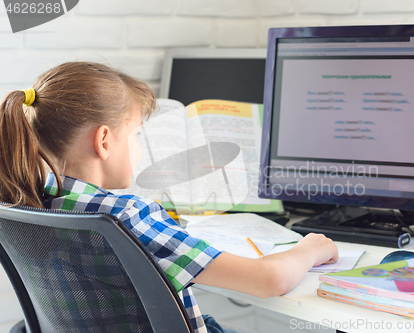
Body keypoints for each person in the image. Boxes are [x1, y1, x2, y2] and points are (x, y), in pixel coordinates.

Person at [0, 62, 338, 333]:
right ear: (104, 141)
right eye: (135, 134)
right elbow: (269, 280)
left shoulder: (24, 200)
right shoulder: (125, 217)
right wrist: (310, 248)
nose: (138, 146)